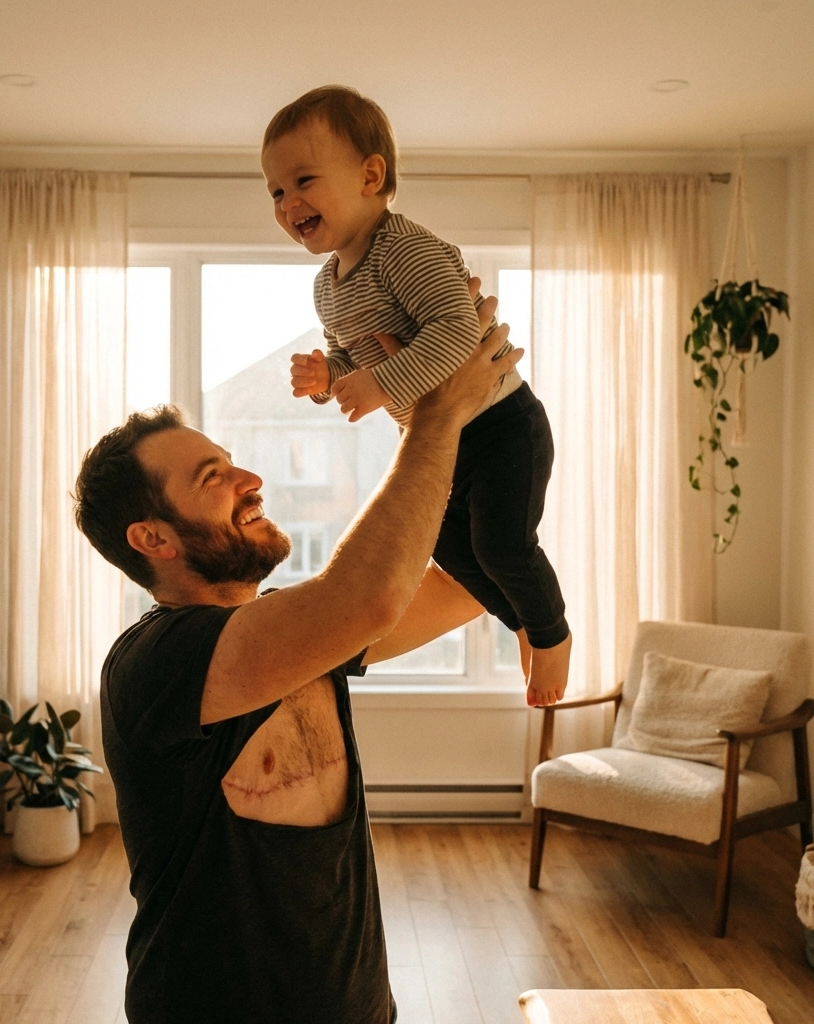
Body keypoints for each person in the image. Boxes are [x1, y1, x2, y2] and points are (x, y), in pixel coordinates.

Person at [73, 296, 522, 1024]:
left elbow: (476, 582)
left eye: (230, 462)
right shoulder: (156, 661)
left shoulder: (293, 634)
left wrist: (477, 419)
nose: (248, 478)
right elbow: (367, 597)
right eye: (211, 477)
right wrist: (435, 419)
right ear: (153, 539)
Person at [261, 85, 571, 707]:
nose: (288, 202)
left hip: (502, 423)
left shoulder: (404, 249)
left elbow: (459, 330)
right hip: (448, 436)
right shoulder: (327, 286)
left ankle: (553, 633)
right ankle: (523, 624)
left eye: (302, 181)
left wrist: (381, 383)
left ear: (371, 176)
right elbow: (358, 353)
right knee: (452, 548)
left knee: (503, 543)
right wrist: (330, 376)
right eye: (274, 191)